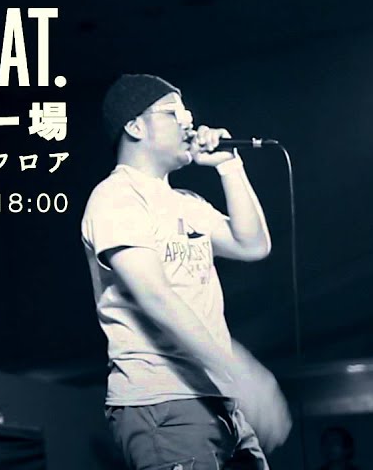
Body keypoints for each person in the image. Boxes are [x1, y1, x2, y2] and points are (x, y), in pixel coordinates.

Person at [81, 74, 291, 469]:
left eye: (188, 115)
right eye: (174, 114)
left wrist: (229, 166)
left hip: (220, 399)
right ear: (135, 126)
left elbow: (253, 244)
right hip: (163, 401)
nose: (189, 123)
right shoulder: (116, 197)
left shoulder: (186, 202)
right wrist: (242, 371)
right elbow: (155, 295)